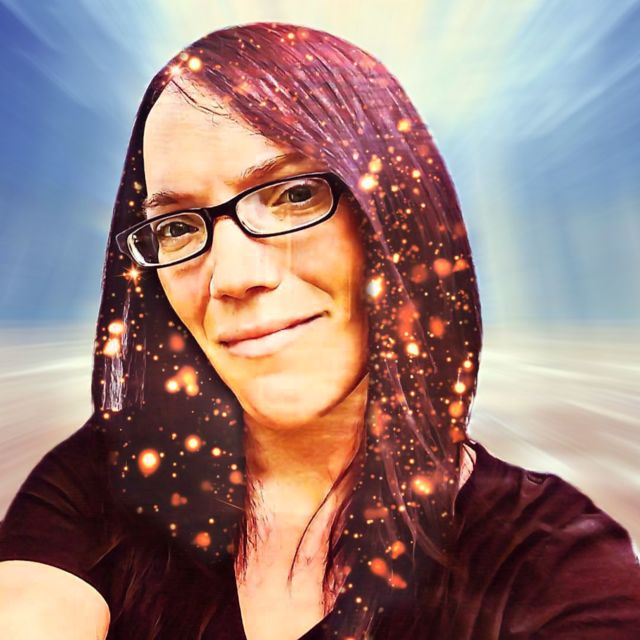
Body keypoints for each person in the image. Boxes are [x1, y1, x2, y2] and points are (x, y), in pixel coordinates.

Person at [0, 22, 638, 640]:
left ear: (393, 214)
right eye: (176, 226)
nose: (232, 276)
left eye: (293, 195)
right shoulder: (105, 484)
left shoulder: (554, 565)